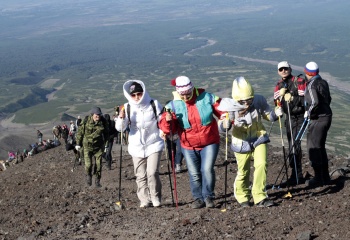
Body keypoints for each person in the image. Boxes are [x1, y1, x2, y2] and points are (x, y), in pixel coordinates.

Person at [159, 76, 225, 209]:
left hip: (210, 141)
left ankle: (208, 197)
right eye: (182, 94)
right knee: (194, 173)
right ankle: (198, 199)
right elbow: (166, 129)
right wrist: (167, 120)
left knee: (206, 169)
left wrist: (226, 118)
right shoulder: (171, 106)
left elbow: (222, 110)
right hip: (188, 145)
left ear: (192, 89)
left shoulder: (207, 97)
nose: (185, 97)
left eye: (188, 93)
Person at [217, 76, 282, 207]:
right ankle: (242, 197)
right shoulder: (228, 106)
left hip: (259, 137)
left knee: (262, 164)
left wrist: (276, 114)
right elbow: (222, 126)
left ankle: (260, 196)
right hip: (241, 141)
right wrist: (226, 123)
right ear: (237, 99)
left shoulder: (259, 100)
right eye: (243, 101)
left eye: (249, 99)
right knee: (243, 170)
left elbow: (268, 115)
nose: (247, 103)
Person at [115, 80, 164, 208]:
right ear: (129, 95)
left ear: (144, 92)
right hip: (136, 146)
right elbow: (120, 128)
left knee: (152, 172)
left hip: (154, 143)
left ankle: (155, 196)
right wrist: (121, 118)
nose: (137, 97)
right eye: (134, 95)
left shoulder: (154, 104)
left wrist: (164, 131)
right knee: (140, 174)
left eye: (139, 93)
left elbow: (162, 121)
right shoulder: (127, 107)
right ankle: (144, 199)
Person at [273, 61, 307, 187]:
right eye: (281, 69)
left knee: (294, 143)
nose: (283, 71)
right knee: (292, 144)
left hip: (300, 116)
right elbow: (276, 101)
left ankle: (296, 175)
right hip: (289, 117)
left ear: (290, 69)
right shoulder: (278, 85)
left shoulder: (299, 81)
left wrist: (295, 98)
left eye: (285, 68)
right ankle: (296, 174)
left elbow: (305, 98)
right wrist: (278, 108)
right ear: (278, 71)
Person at [303, 62, 332, 188]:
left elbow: (314, 102)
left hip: (318, 119)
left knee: (313, 147)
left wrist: (308, 113)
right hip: (327, 117)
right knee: (320, 147)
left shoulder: (312, 84)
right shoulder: (323, 82)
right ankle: (325, 177)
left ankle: (319, 178)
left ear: (307, 72)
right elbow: (329, 99)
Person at [75, 107, 109, 188]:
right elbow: (80, 133)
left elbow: (106, 134)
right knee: (88, 164)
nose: (98, 116)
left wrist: (106, 145)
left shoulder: (103, 122)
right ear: (92, 114)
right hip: (87, 146)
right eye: (96, 115)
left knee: (98, 165)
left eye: (99, 115)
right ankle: (89, 175)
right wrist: (78, 144)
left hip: (98, 147)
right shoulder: (86, 121)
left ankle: (97, 181)